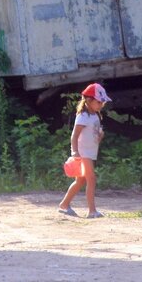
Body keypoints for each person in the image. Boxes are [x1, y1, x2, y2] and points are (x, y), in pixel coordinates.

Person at [58, 82, 111, 219]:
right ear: (88, 100)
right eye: (99, 102)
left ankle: (64, 205)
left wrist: (100, 136)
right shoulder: (82, 116)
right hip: (83, 153)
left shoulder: (95, 116)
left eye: (102, 102)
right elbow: (74, 135)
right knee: (91, 179)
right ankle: (92, 211)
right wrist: (74, 152)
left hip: (90, 152)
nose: (101, 105)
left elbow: (93, 137)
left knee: (80, 181)